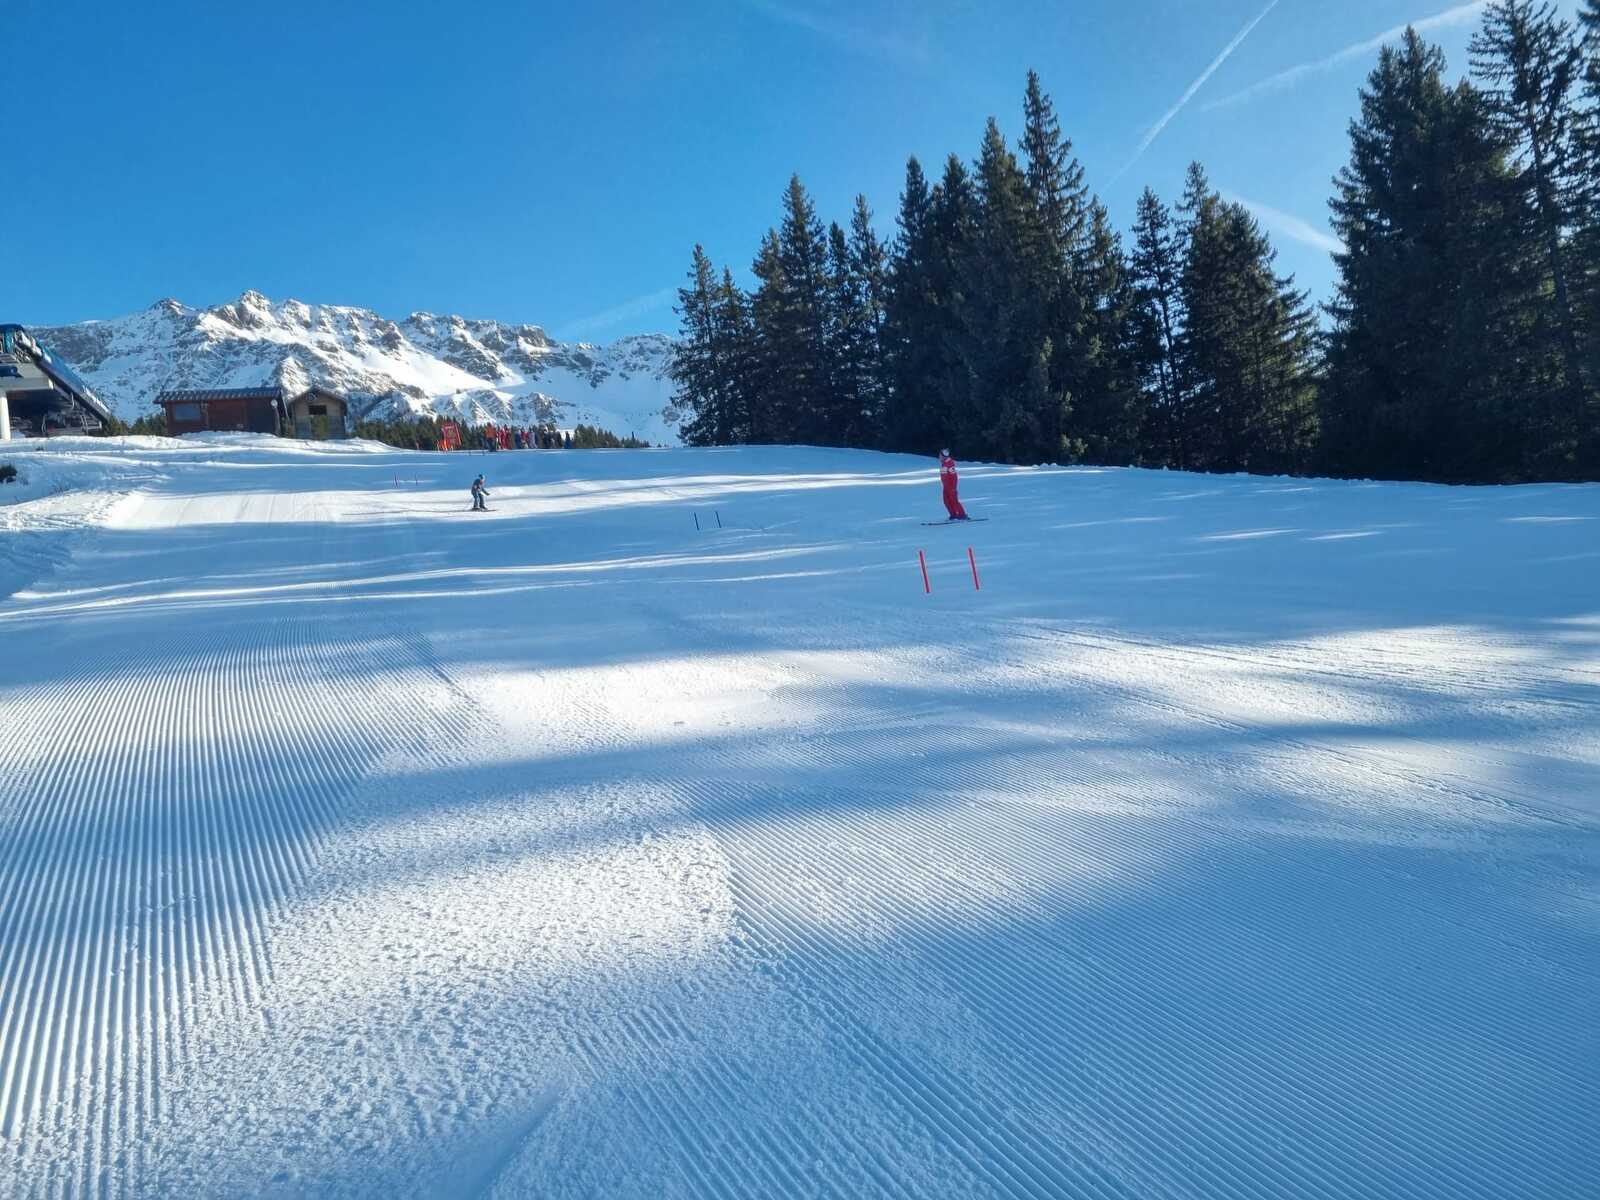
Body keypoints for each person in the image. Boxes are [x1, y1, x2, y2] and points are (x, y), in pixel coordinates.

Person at [938, 448, 969, 520]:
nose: (939, 457)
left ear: (944, 456)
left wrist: (953, 487)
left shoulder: (949, 464)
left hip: (951, 487)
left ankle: (962, 515)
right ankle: (953, 515)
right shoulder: (944, 464)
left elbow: (954, 477)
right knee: (946, 501)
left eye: (940, 455)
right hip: (945, 486)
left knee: (954, 501)